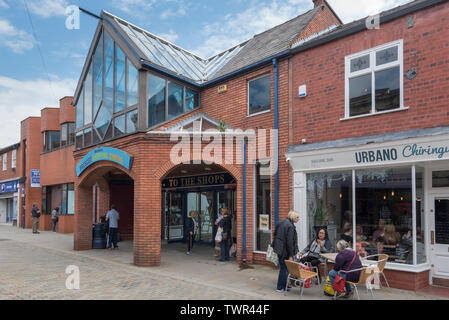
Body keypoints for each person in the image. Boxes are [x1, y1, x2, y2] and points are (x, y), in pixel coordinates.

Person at [273, 210, 299, 293]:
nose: (298, 219)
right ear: (293, 217)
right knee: (284, 268)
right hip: (284, 251)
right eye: (297, 217)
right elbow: (289, 241)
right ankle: (280, 287)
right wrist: (291, 255)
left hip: (279, 249)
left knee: (284, 268)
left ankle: (284, 286)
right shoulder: (290, 226)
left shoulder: (280, 222)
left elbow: (275, 234)